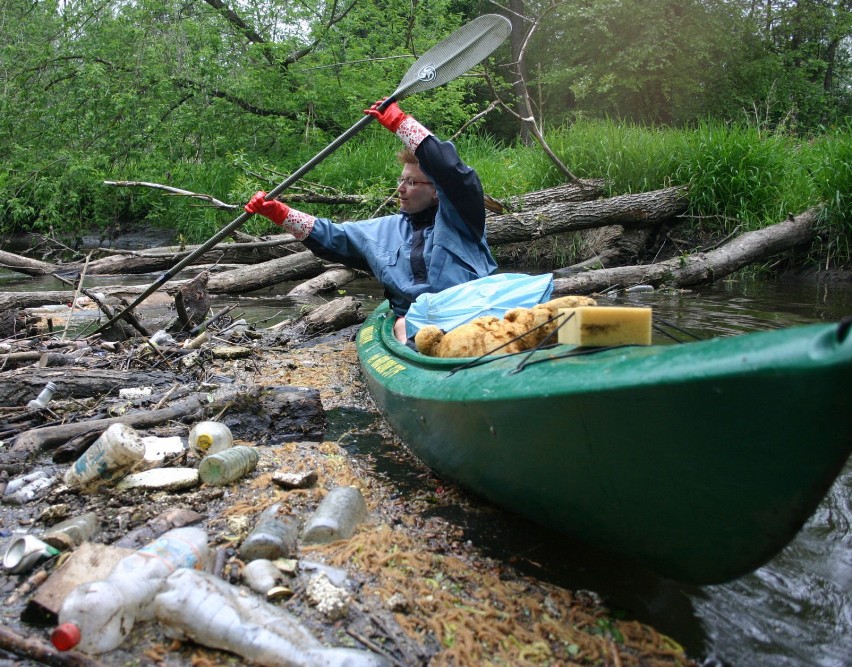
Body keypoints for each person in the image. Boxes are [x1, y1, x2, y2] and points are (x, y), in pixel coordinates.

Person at [245, 99, 497, 344]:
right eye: (400, 180)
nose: (400, 189)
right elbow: (331, 236)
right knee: (402, 324)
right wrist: (278, 213)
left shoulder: (462, 217)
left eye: (411, 182)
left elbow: (452, 173)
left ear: (436, 191)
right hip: (417, 321)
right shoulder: (381, 231)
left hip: (472, 310)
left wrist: (401, 123)